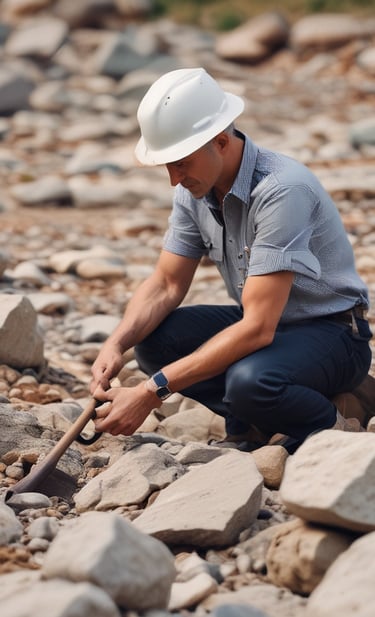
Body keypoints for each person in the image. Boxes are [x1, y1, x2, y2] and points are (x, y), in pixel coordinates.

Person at [90, 67, 373, 453]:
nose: (173, 178)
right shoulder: (194, 188)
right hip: (267, 326)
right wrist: (115, 343)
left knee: (248, 383)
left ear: (221, 141)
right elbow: (166, 284)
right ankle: (258, 420)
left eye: (181, 162)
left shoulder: (281, 190)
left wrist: (150, 391)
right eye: (167, 165)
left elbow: (257, 328)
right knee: (152, 342)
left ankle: (336, 423)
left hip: (333, 333)